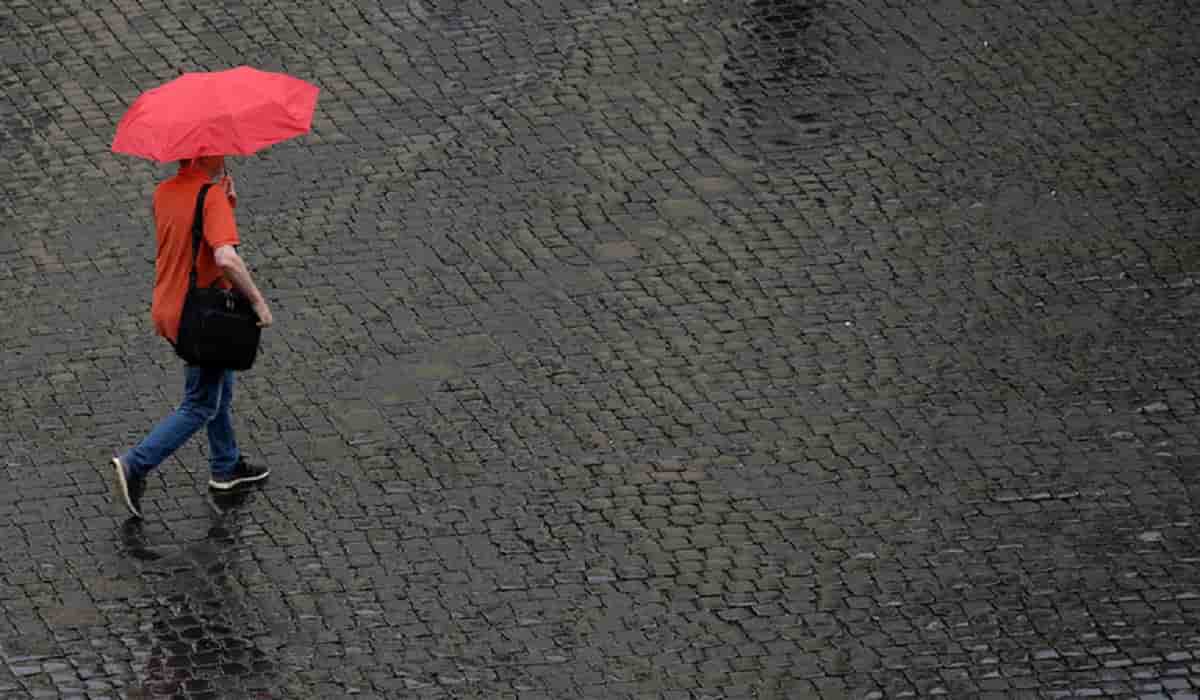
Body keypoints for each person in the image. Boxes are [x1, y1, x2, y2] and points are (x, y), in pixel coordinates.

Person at [112, 155, 273, 519]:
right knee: (200, 403)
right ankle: (136, 464)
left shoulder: (164, 192)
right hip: (200, 317)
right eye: (219, 150)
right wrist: (257, 302)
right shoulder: (209, 197)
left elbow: (190, 237)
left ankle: (226, 464)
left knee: (219, 382)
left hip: (169, 306)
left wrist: (225, 205)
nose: (225, 156)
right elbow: (226, 258)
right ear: (204, 154)